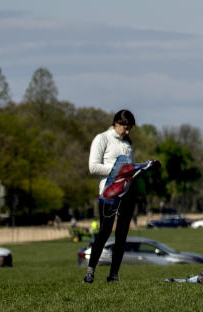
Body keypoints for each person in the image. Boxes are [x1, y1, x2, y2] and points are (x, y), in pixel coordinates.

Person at [83, 109, 137, 284]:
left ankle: (114, 274)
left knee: (122, 235)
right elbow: (93, 167)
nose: (128, 132)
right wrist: (117, 170)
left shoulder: (128, 142)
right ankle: (90, 271)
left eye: (130, 128)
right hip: (109, 191)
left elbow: (131, 167)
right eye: (126, 127)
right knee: (104, 232)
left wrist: (137, 170)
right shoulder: (102, 138)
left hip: (127, 192)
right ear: (117, 123)